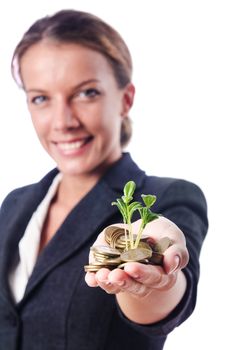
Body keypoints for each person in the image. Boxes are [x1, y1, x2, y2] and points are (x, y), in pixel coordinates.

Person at [0, 9, 208, 350]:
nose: (63, 121)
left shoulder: (165, 197)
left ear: (125, 100)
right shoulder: (15, 203)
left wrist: (152, 278)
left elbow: (167, 298)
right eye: (41, 98)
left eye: (86, 93)